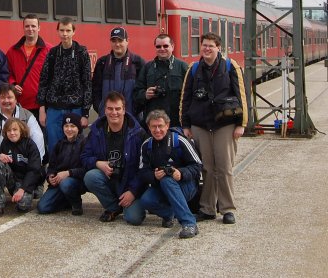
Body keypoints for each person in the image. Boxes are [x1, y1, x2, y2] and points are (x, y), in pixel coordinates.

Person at [180, 33, 247, 225]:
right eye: (204, 45)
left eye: (211, 46)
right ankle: (207, 208)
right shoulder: (193, 69)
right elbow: (185, 99)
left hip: (225, 125)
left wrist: (241, 124)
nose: (207, 49)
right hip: (200, 125)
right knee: (207, 168)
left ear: (219, 48)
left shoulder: (230, 67)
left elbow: (242, 96)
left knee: (224, 168)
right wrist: (185, 125)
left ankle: (227, 209)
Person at [82, 91, 147, 224]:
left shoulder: (138, 133)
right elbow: (84, 157)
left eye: (118, 109)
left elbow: (145, 168)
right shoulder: (96, 131)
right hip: (110, 182)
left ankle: (129, 203)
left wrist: (133, 191)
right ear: (104, 110)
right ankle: (113, 207)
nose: (114, 113)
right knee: (91, 176)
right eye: (110, 109)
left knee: (133, 218)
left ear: (124, 110)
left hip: (130, 184)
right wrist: (98, 163)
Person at [138, 110, 203, 239]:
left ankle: (189, 223)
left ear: (167, 125)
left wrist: (181, 173)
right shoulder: (146, 146)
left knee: (167, 180)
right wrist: (154, 176)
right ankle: (169, 214)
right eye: (153, 126)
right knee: (145, 200)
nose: (157, 130)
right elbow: (142, 172)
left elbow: (198, 166)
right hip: (161, 186)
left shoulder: (179, 141)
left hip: (186, 186)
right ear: (148, 127)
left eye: (160, 126)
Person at [37, 17, 92, 151]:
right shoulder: (52, 53)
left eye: (68, 30)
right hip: (54, 109)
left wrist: (85, 113)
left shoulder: (81, 52)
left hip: (75, 108)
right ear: (58, 31)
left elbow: (87, 83)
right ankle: (53, 171)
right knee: (54, 146)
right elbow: (43, 81)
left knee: (75, 146)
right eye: (62, 30)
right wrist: (42, 108)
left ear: (74, 32)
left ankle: (73, 172)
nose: (65, 34)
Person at [0, 83, 45, 161]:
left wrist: (38, 161)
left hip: (21, 160)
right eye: (2, 97)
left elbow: (38, 137)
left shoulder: (27, 116)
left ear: (16, 99)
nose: (6, 101)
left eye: (9, 97)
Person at [0, 118, 43, 218]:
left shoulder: (30, 145)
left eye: (15, 130)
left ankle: (36, 189)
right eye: (9, 131)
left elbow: (34, 170)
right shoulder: (5, 143)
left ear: (21, 130)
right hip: (13, 180)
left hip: (25, 181)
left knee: (23, 206)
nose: (12, 133)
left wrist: (23, 189)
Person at [37, 112, 87, 215]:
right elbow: (52, 167)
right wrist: (50, 177)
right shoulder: (59, 145)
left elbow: (87, 168)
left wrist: (68, 173)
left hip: (76, 180)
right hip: (59, 181)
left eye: (73, 126)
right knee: (43, 207)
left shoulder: (84, 143)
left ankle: (76, 203)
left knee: (66, 183)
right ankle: (66, 200)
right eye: (66, 126)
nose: (69, 129)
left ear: (78, 128)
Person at [134, 33, 188, 127]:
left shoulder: (183, 67)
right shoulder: (147, 68)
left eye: (165, 46)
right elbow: (136, 93)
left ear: (172, 47)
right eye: (158, 46)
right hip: (153, 125)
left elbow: (189, 95)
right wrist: (145, 95)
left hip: (176, 123)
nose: (162, 49)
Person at [92, 26, 145, 117]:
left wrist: (135, 110)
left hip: (132, 118)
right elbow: (95, 90)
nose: (117, 44)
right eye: (114, 41)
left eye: (120, 41)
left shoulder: (138, 62)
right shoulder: (102, 62)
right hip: (107, 117)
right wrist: (101, 109)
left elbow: (142, 91)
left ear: (127, 41)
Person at [6, 14, 50, 119]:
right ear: (23, 28)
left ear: (39, 28)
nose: (30, 29)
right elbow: (7, 73)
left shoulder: (49, 50)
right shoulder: (12, 51)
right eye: (27, 26)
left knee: (41, 135)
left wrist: (45, 105)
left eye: (33, 26)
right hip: (20, 105)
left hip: (42, 107)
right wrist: (12, 84)